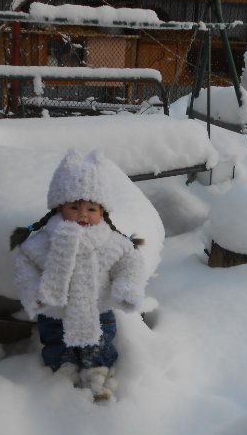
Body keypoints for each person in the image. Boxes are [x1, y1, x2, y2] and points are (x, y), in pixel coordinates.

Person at [11, 149, 147, 402]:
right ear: (59, 208)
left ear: (103, 212)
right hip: (54, 312)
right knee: (56, 345)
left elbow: (130, 262)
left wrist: (127, 288)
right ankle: (63, 377)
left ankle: (97, 378)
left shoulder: (111, 242)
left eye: (91, 209)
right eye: (75, 207)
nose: (83, 214)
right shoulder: (43, 242)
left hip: (97, 311)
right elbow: (24, 263)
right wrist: (32, 293)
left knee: (99, 346)